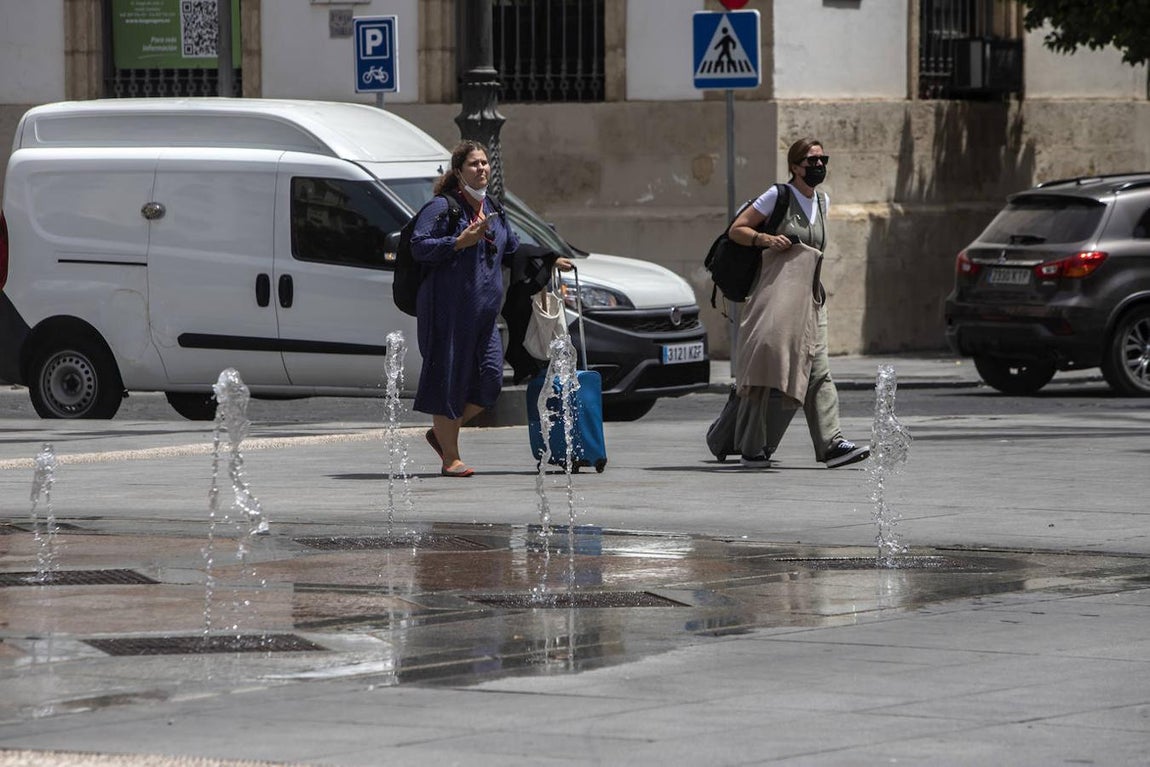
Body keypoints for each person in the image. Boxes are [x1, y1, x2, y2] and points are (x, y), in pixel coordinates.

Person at [411, 141, 570, 476]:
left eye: (484, 162)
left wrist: (549, 260)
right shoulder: (442, 207)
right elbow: (419, 246)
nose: (481, 168)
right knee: (448, 381)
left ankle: (442, 434)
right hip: (447, 314)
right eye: (474, 164)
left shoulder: (494, 208)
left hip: (484, 317)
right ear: (458, 171)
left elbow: (512, 249)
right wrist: (458, 242)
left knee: (491, 381)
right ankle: (451, 458)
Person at [726, 137, 870, 470]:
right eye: (810, 161)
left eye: (822, 160)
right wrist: (764, 238)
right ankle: (751, 447)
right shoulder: (777, 195)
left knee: (818, 369)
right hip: (775, 296)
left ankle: (831, 444)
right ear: (794, 166)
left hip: (811, 299)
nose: (818, 166)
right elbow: (737, 229)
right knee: (764, 369)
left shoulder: (823, 201)